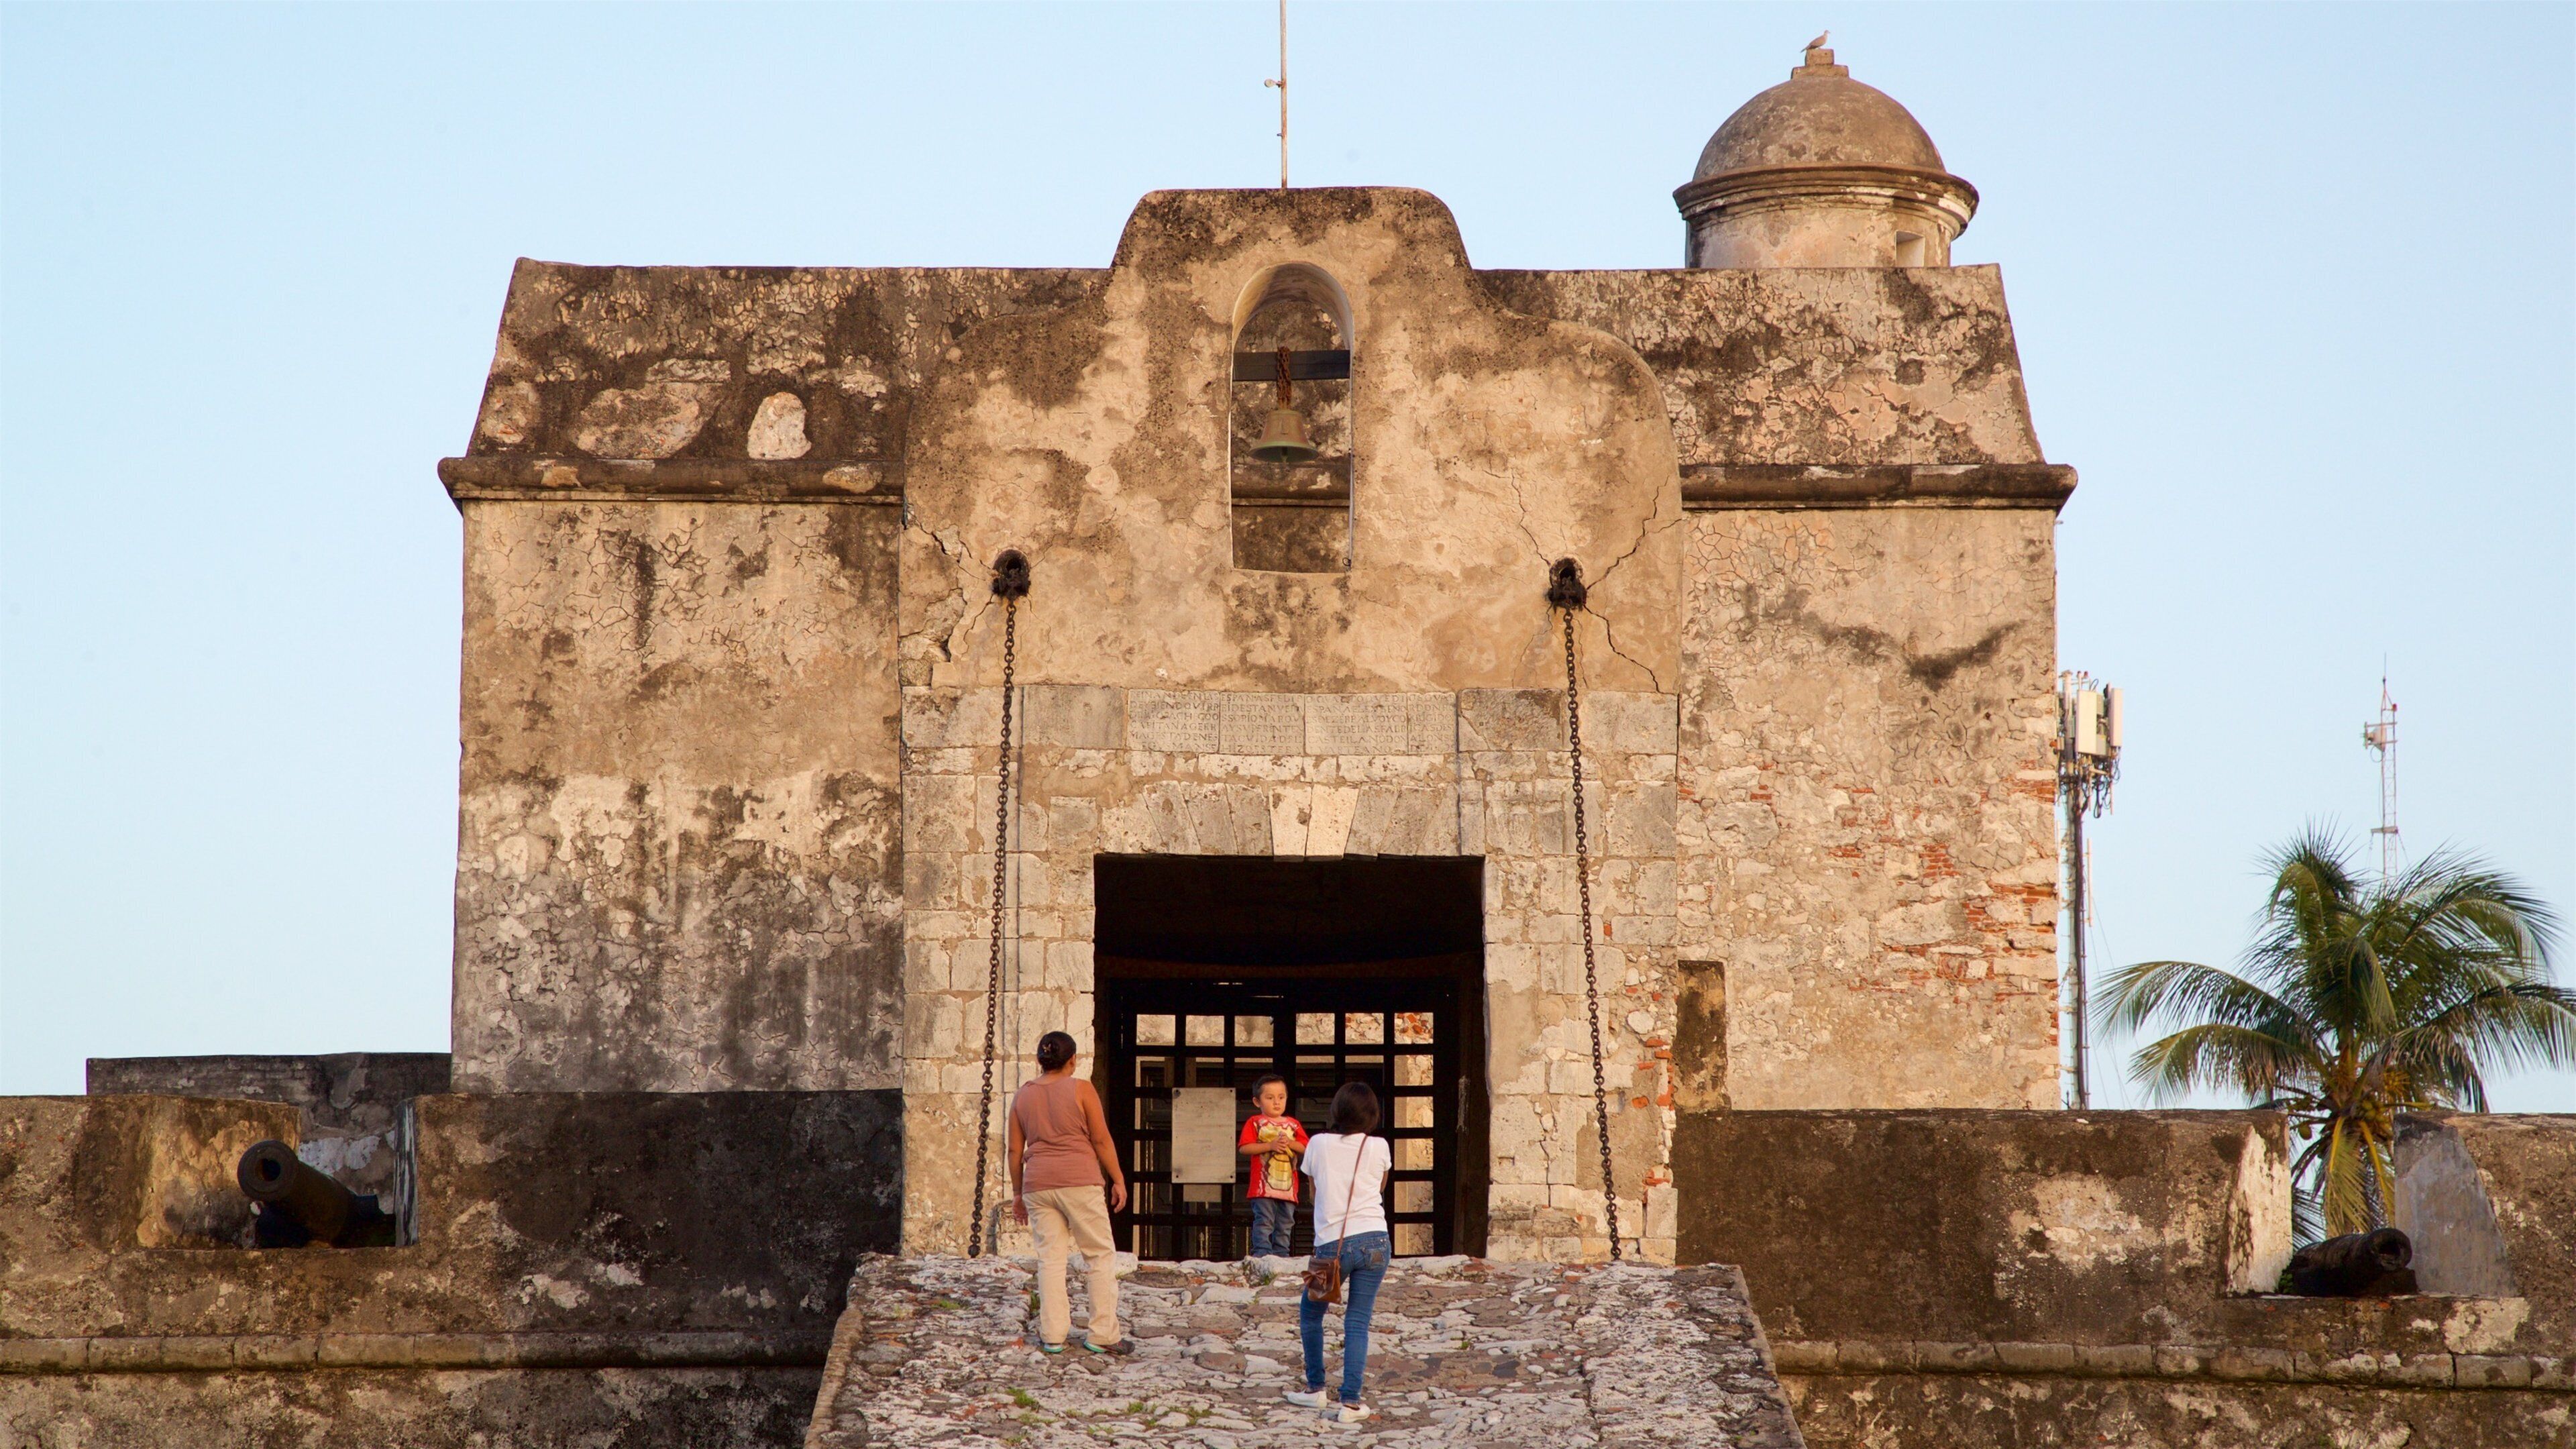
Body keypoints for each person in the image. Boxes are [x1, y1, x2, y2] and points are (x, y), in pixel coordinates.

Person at [1006, 1030, 1131, 1356]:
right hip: (1080, 1181)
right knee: (1099, 1255)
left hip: (1038, 1184)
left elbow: (1014, 1150)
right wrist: (1118, 1179)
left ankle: (1053, 1335)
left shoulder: (1023, 1095)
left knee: (1050, 1259)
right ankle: (1103, 1334)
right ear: (1073, 1060)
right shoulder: (1082, 1089)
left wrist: (1018, 1194)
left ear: (1040, 1061)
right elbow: (1101, 1140)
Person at [1285, 1081, 1391, 1424]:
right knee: (1358, 1322)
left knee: (1311, 1315)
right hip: (1376, 1240)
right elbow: (1379, 1187)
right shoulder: (1379, 1147)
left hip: (1333, 1245)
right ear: (1372, 1116)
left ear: (1336, 1112)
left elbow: (1314, 1193)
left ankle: (1316, 1388)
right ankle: (1351, 1403)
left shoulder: (1318, 1144)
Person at [1236, 1074, 1307, 1258]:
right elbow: (1244, 1148)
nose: (1277, 1102)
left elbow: (1306, 1148)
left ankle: (1282, 1253)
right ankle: (1262, 1253)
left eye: (1281, 1097)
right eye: (1270, 1098)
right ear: (1257, 1101)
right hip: (1263, 1187)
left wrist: (1290, 1143)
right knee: (1265, 1220)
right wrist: (1270, 1146)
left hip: (1288, 1187)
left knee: (1286, 1222)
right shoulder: (1255, 1122)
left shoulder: (1293, 1124)